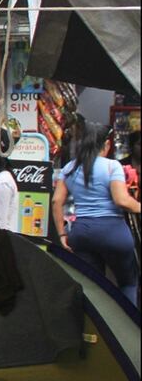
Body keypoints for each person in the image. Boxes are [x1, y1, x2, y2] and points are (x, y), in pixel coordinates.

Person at [52, 121, 141, 305]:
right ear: (107, 144)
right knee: (128, 283)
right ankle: (127, 329)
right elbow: (121, 200)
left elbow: (56, 201)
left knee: (93, 286)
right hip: (113, 232)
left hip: (82, 233)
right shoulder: (111, 166)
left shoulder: (70, 168)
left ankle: (94, 330)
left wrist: (61, 233)